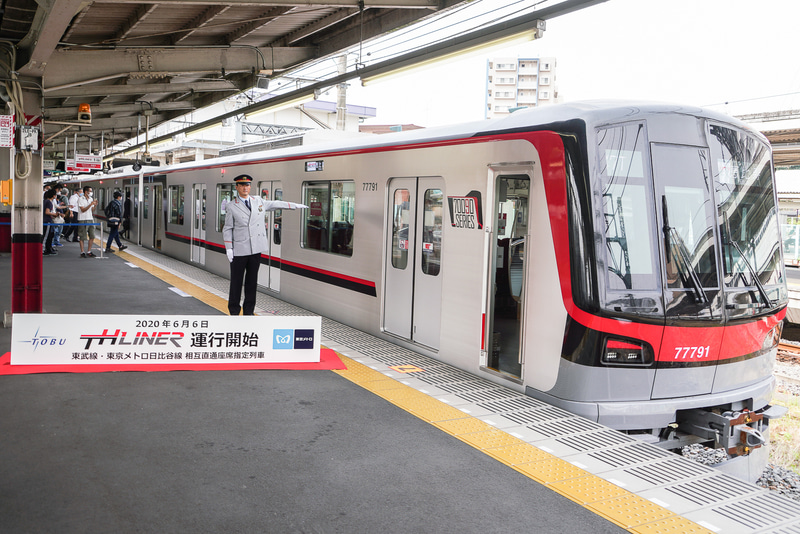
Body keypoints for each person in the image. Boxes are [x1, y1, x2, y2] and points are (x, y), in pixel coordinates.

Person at [222, 174, 307, 315]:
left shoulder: (258, 201)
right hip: (239, 250)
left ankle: (249, 311)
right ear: (237, 187)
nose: (245, 187)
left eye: (247, 185)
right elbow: (228, 228)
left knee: (252, 282)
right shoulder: (232, 206)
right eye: (242, 185)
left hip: (255, 249)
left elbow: (276, 204)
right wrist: (229, 248)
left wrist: (294, 206)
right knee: (236, 283)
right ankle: (234, 312)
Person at [77, 185, 99, 258]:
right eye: (90, 191)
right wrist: (90, 204)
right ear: (86, 192)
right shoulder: (80, 199)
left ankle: (89, 251)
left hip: (90, 218)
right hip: (82, 219)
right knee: (82, 236)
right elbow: (83, 210)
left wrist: (95, 205)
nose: (91, 192)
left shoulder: (91, 199)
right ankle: (82, 251)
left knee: (92, 235)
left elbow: (92, 210)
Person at [42, 188, 59, 256]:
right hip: (47, 221)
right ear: (53, 196)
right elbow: (47, 212)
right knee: (46, 236)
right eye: (55, 195)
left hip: (44, 220)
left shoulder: (44, 201)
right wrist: (55, 214)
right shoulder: (49, 202)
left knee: (47, 235)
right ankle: (43, 250)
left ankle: (47, 249)